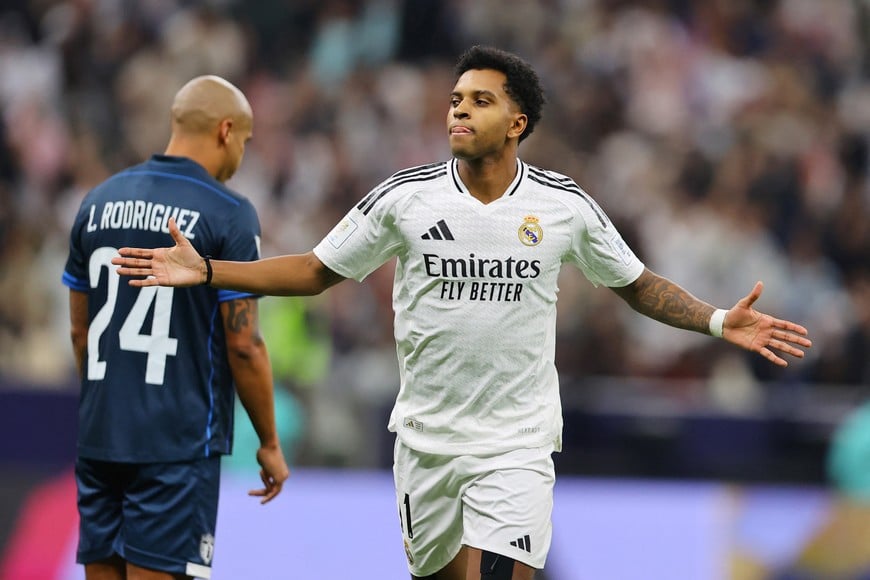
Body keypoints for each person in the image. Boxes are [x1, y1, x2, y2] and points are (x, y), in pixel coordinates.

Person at [112, 47, 812, 580]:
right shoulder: (406, 199)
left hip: (517, 441)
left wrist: (720, 322)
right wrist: (208, 270)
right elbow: (314, 271)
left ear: (518, 122)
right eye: (454, 100)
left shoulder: (563, 206)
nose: (457, 111)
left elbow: (635, 284)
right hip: (426, 443)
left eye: (478, 100)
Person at [63, 75, 289, 580]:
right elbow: (245, 344)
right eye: (246, 142)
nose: (242, 155)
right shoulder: (228, 213)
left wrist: (109, 400)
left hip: (100, 436)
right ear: (226, 131)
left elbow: (80, 333)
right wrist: (269, 441)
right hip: (175, 444)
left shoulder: (96, 201)